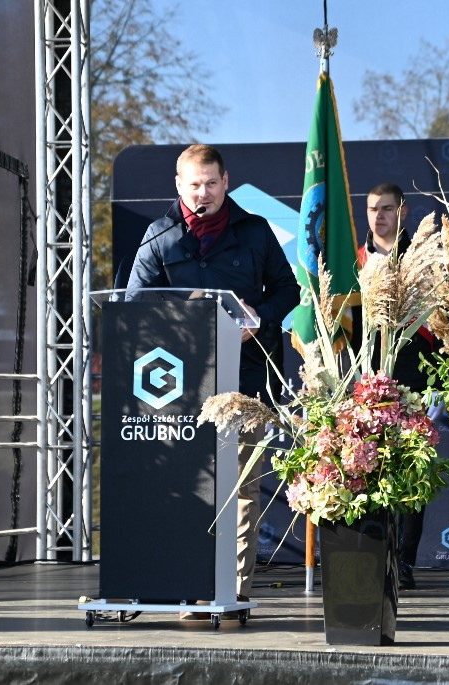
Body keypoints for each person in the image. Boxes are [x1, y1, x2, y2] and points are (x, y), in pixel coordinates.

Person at [125, 144, 299, 615]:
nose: (203, 193)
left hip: (247, 381)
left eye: (211, 183)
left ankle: (233, 590)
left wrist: (257, 318)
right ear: (179, 186)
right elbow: (136, 305)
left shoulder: (256, 230)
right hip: (179, 386)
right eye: (194, 184)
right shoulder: (157, 237)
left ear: (226, 181)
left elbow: (289, 289)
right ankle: (188, 580)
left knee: (241, 485)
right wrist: (182, 320)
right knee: (191, 485)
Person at [356, 182, 436, 590]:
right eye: (372, 209)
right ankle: (373, 559)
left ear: (402, 212)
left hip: (415, 376)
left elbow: (442, 323)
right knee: (366, 467)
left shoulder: (423, 255)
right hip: (365, 379)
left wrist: (438, 381)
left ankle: (404, 561)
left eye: (386, 208)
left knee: (410, 473)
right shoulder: (353, 260)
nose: (378, 216)